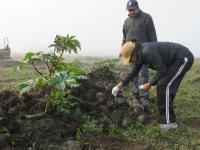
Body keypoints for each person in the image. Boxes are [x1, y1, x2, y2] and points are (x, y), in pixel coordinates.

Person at [112, 41, 194, 130]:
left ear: (134, 53)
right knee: (163, 85)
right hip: (173, 62)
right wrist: (119, 86)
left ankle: (169, 122)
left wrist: (150, 83)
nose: (130, 61)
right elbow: (132, 72)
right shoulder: (140, 55)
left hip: (183, 58)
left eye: (130, 59)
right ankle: (167, 118)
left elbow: (162, 70)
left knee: (164, 86)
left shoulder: (147, 52)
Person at [122, 0, 157, 110]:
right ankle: (135, 95)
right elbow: (124, 38)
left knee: (143, 75)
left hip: (144, 53)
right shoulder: (126, 21)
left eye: (133, 9)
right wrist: (122, 50)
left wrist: (154, 51)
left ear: (137, 7)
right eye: (129, 10)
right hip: (131, 54)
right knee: (133, 75)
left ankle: (144, 98)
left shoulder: (147, 18)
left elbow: (153, 36)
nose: (131, 12)